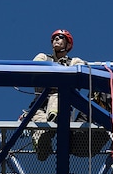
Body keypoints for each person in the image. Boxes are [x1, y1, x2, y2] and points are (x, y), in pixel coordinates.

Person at [26, 29, 86, 161]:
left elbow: (83, 70)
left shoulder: (74, 61)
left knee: (58, 96)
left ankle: (54, 119)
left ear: (68, 45)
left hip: (61, 103)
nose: (56, 40)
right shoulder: (43, 57)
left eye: (60, 37)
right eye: (54, 38)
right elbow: (35, 69)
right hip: (39, 105)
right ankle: (43, 146)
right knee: (41, 132)